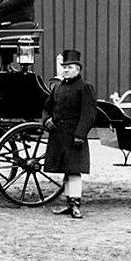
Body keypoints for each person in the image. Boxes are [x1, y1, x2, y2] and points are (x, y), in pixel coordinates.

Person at [41, 49, 97, 219]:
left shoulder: (85, 87)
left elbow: (89, 114)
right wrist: (46, 120)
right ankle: (68, 204)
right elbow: (46, 108)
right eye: (64, 67)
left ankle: (76, 205)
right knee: (67, 169)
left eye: (70, 67)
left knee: (74, 171)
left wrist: (80, 135)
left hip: (74, 137)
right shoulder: (57, 87)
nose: (66, 70)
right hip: (58, 136)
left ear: (78, 69)